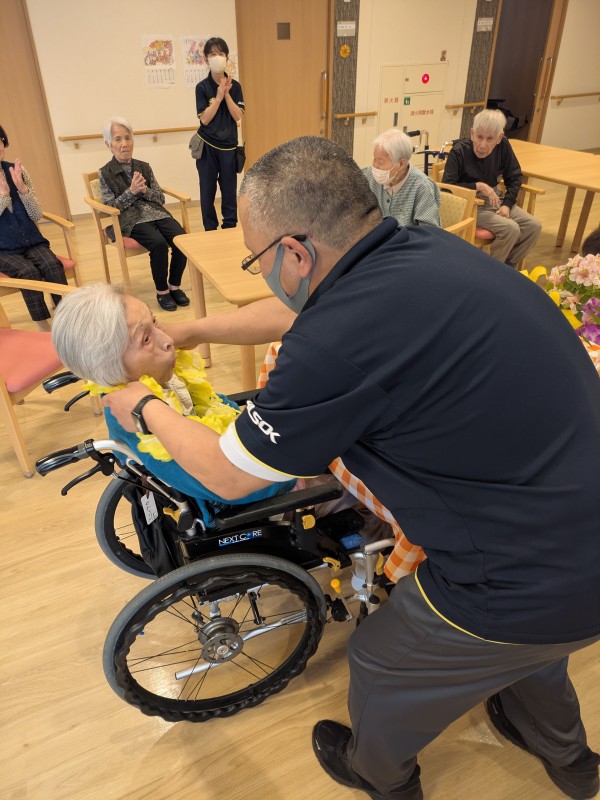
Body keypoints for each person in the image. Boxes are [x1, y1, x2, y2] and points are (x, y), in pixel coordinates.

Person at [102, 136, 600, 800]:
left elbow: (228, 474)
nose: (262, 273)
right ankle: (572, 761)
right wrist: (194, 331)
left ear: (296, 253)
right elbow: (301, 312)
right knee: (536, 650)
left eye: (256, 259)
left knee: (380, 659)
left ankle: (381, 775)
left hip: (518, 575)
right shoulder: (424, 249)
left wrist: (145, 407)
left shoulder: (334, 345)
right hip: (578, 530)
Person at [51, 283, 292, 523]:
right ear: (108, 365)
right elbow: (229, 485)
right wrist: (293, 479)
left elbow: (217, 405)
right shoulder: (135, 420)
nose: (168, 339)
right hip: (248, 499)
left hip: (250, 454)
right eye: (146, 339)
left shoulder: (160, 378)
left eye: (155, 322)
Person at [99, 117, 189, 312]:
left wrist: (144, 190)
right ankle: (162, 291)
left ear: (132, 140)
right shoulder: (105, 173)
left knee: (182, 239)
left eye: (127, 138)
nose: (124, 144)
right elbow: (110, 207)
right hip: (131, 220)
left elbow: (160, 198)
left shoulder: (144, 166)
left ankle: (174, 286)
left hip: (157, 214)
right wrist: (130, 192)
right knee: (158, 244)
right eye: (118, 139)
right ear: (108, 144)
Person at [443, 108, 542, 268]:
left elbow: (515, 176)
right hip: (470, 205)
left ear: (499, 137)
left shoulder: (503, 146)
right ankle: (492, 271)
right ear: (472, 133)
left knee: (533, 226)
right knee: (511, 229)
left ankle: (507, 268)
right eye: (479, 137)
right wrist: (478, 186)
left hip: (497, 200)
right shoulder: (459, 151)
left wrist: (507, 205)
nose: (483, 145)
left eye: (490, 139)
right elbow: (447, 188)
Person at [0, 124, 68, 330]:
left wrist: (23, 190)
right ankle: (43, 326)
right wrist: (3, 197)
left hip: (31, 240)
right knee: (28, 271)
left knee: (52, 265)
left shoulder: (17, 171)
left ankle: (67, 318)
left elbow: (36, 214)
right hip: (3, 249)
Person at [194, 37, 244, 231]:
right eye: (212, 54)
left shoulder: (236, 86)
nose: (217, 57)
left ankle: (230, 228)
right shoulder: (202, 88)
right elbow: (204, 119)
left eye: (220, 54)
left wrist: (227, 94)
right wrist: (218, 97)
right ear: (206, 59)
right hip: (207, 147)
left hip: (229, 147)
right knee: (207, 192)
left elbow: (237, 115)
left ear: (227, 58)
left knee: (229, 192)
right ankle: (209, 230)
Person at [362, 128, 440, 227]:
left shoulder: (422, 187)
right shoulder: (368, 175)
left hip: (408, 236)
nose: (375, 166)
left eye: (380, 162)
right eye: (374, 159)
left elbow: (428, 231)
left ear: (401, 164)